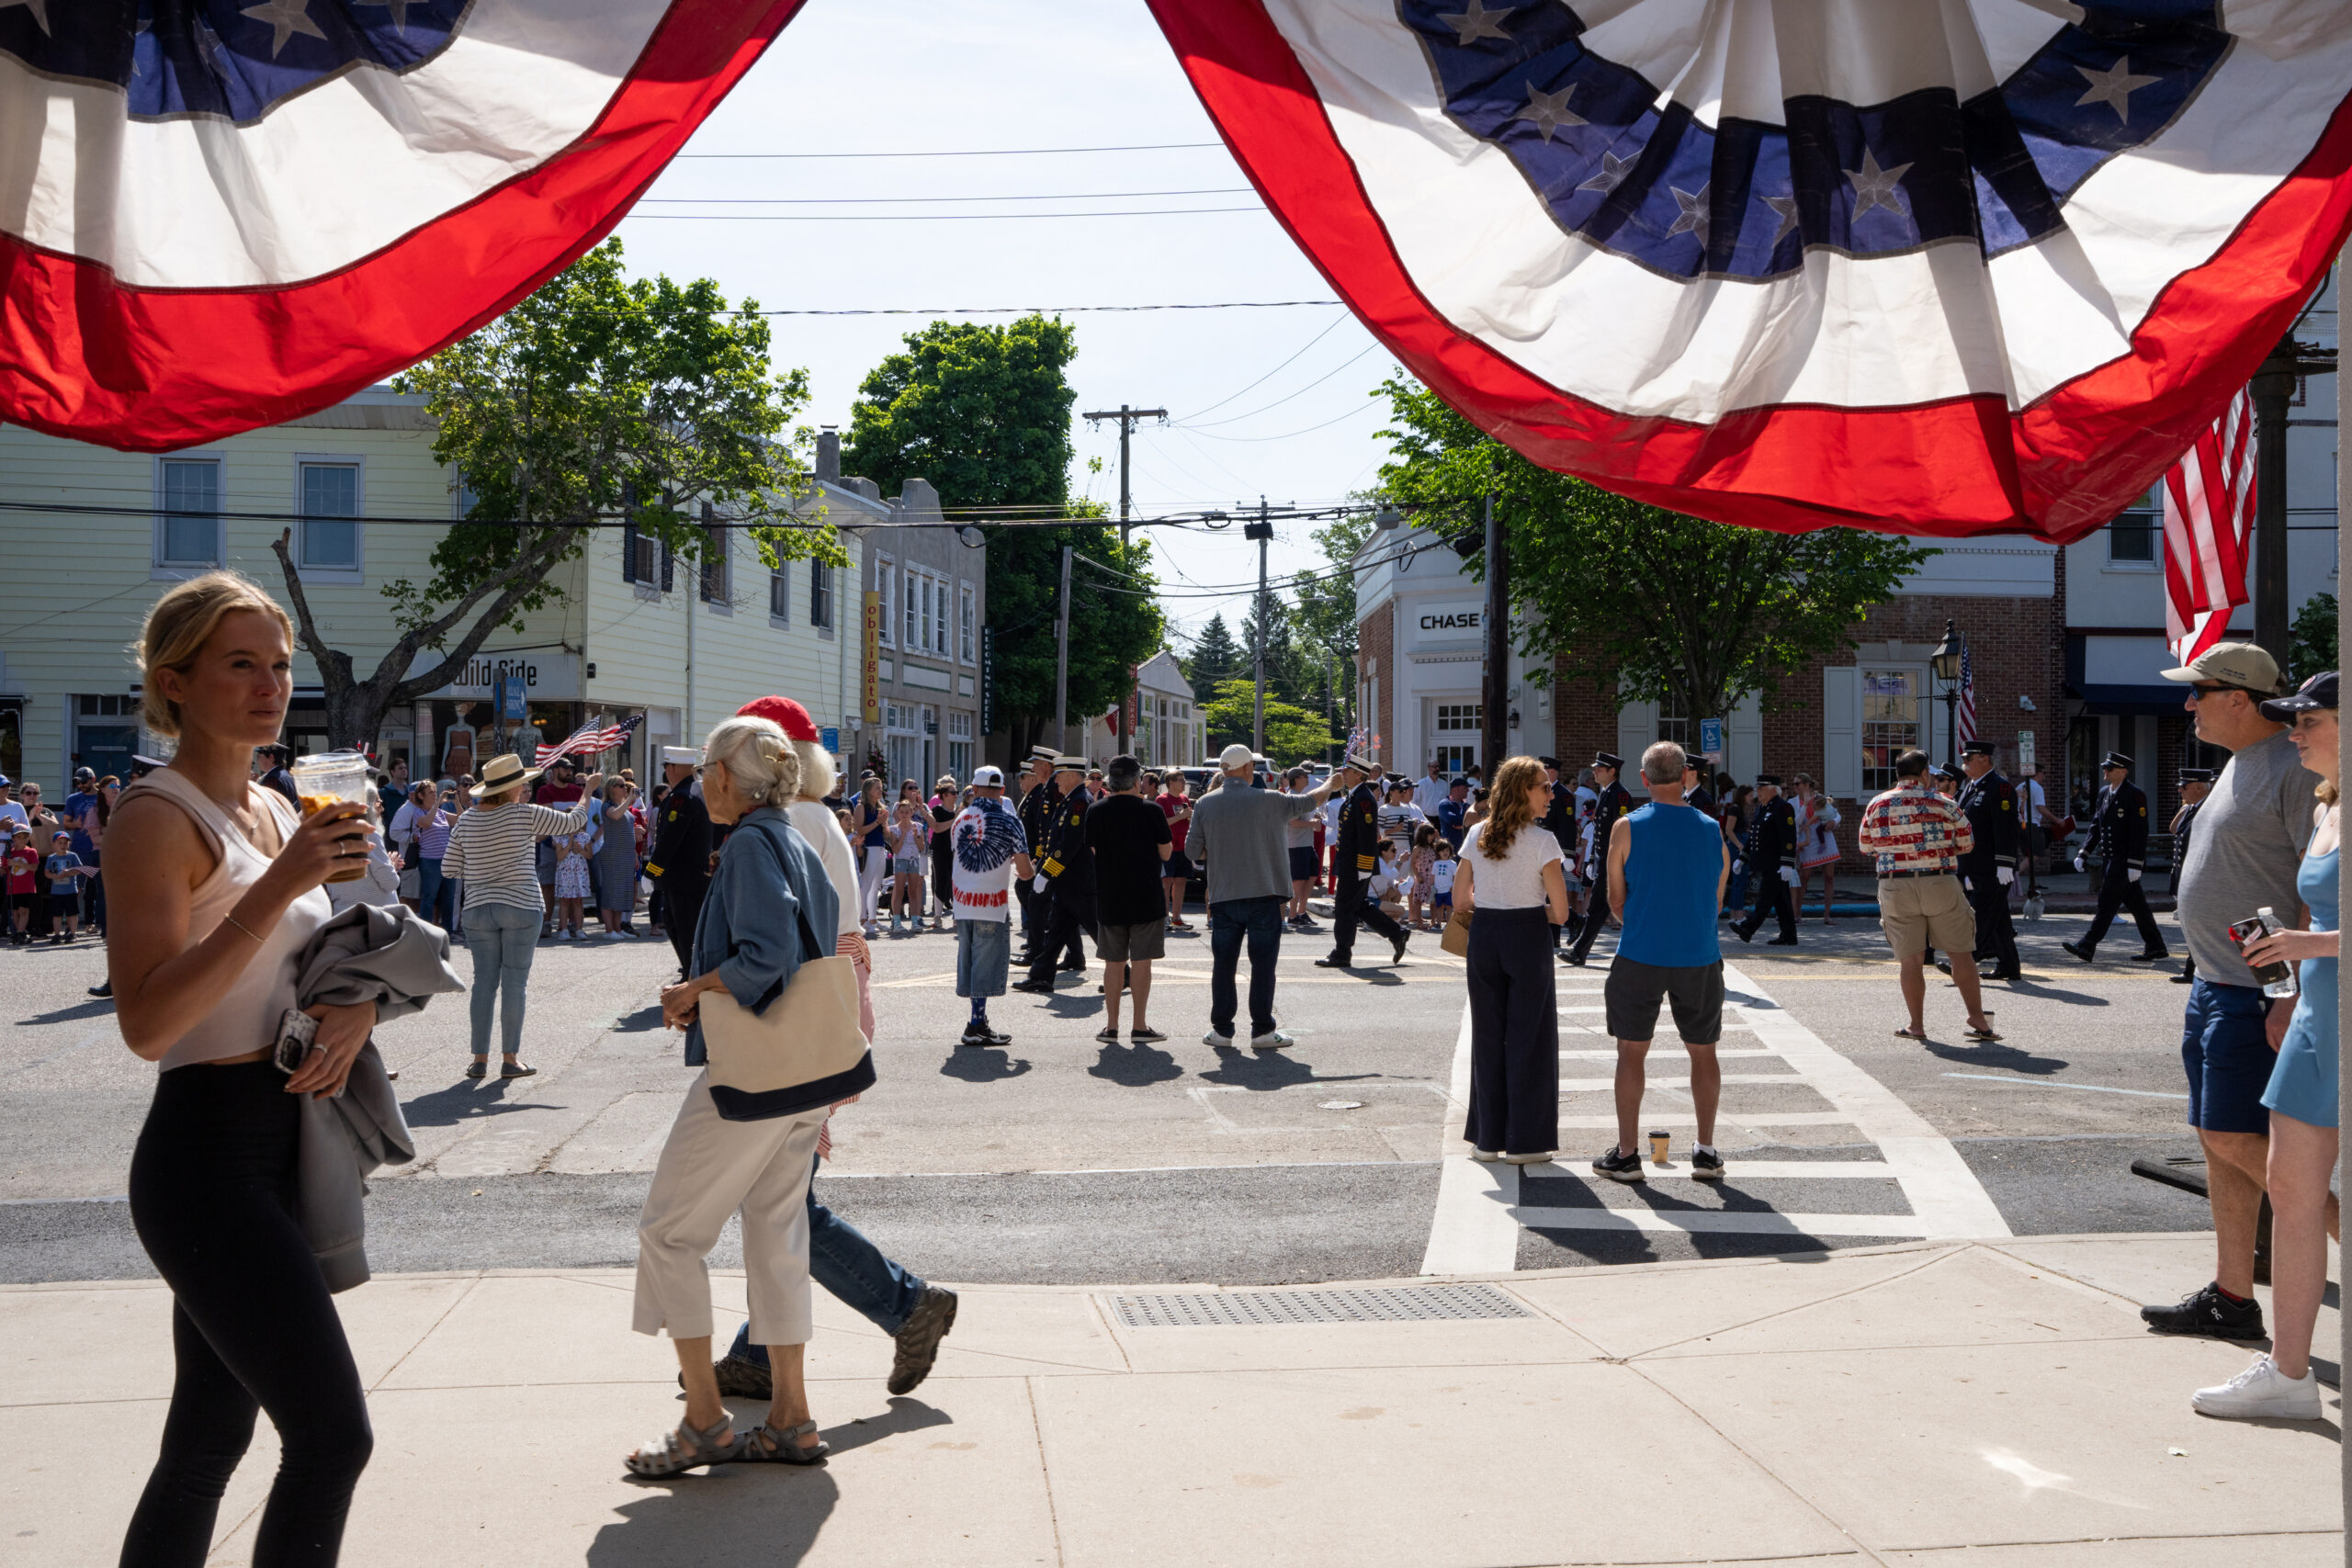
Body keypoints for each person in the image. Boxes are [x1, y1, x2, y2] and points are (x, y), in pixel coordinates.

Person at [107, 571, 378, 1567]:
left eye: (279, 666)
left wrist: (358, 1001)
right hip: (204, 1156)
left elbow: (322, 955)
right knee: (332, 1437)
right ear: (174, 683)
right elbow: (146, 1020)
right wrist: (286, 882)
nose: (270, 686)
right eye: (240, 665)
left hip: (284, 1133)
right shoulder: (154, 816)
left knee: (208, 1440)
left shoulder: (274, 806)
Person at [632, 715, 846, 1475]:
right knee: (776, 1235)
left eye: (706, 768)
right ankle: (790, 1416)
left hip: (754, 1073)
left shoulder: (753, 844)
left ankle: (704, 1419)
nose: (698, 782)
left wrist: (694, 986)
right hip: (808, 1071)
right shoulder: (791, 834)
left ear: (727, 774)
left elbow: (766, 955)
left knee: (668, 1231)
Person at [2141, 641, 2321, 1342]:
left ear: (2239, 698)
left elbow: (2315, 887)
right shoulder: (2240, 762)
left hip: (2259, 991)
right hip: (2217, 983)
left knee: (2229, 1134)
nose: (2188, 704)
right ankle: (2231, 1296)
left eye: (2199, 691)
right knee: (2220, 1143)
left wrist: (2288, 993)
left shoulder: (2294, 768)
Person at [2192, 671, 2342, 1419]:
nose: (2296, 733)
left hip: (2331, 1014)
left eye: (2310, 720)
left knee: (2292, 1184)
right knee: (2288, 1190)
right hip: (2314, 1014)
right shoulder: (2325, 804)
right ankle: (2288, 1373)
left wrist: (2304, 945)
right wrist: (2292, 981)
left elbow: (2319, 918)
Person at [1592, 741, 1730, 1181]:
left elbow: (1615, 899)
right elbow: (1718, 897)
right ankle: (1706, 1151)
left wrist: (1638, 921)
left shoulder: (1626, 827)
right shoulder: (1711, 828)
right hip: (1699, 954)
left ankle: (1628, 1154)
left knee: (1631, 1053)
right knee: (1703, 1052)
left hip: (1640, 952)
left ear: (1644, 778)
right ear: (1686, 776)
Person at [439, 752, 599, 1079]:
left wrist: (482, 864)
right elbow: (574, 822)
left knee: (483, 984)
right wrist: (588, 791)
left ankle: (479, 1059)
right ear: (513, 788)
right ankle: (510, 1058)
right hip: (522, 904)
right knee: (514, 984)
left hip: (478, 907)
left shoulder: (467, 819)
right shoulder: (524, 814)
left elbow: (449, 868)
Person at [1457, 755, 1573, 1164]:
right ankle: (1525, 1141)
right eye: (1543, 786)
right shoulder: (1543, 842)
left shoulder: (1476, 835)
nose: (1550, 793)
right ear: (1523, 790)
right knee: (1531, 1037)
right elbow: (1560, 913)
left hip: (1485, 934)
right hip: (1526, 936)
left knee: (1488, 1036)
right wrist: (1528, 910)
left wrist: (1494, 903)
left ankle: (1487, 1139)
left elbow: (1458, 900)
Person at [1192, 744, 1340, 1046]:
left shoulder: (1205, 804)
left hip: (1224, 895)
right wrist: (1331, 783)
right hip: (1265, 894)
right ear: (1247, 769)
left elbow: (1192, 851)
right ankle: (1262, 1031)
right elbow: (1314, 799)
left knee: (1224, 966)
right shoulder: (1271, 800)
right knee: (1262, 966)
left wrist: (1218, 848)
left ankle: (1221, 1030)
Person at [1857, 750, 2000, 1043]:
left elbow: (1866, 846)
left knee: (1911, 960)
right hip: (1939, 882)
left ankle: (1917, 1025)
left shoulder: (1877, 803)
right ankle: (1977, 1018)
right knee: (1961, 954)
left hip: (1895, 885)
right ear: (1924, 774)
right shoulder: (1943, 802)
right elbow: (1967, 844)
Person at [1086, 753, 1174, 1043]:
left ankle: (1111, 1027)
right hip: (1146, 896)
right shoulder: (1152, 811)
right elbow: (1166, 853)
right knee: (1142, 962)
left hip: (1111, 895)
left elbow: (1095, 850)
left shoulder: (1096, 811)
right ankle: (1139, 1025)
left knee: (1113, 963)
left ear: (1110, 781)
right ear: (1137, 781)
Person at [948, 764, 1032, 1046]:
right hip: (991, 903)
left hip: (962, 901)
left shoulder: (961, 818)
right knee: (985, 965)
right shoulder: (1010, 821)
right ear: (1002, 791)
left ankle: (977, 1021)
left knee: (970, 962)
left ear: (974, 788)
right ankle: (976, 1024)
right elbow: (1024, 871)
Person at [2061, 752, 2168, 964]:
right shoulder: (2103, 793)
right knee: (2138, 906)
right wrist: (2084, 852)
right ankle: (2156, 946)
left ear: (2123, 771)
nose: (2105, 772)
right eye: (2105, 768)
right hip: (2110, 858)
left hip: (2124, 860)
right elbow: (2096, 826)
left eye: (2110, 768)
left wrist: (2135, 863)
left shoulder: (2134, 794)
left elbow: (2139, 831)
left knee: (2107, 902)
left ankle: (2087, 945)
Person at [1317, 751, 1409, 970]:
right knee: (1357, 906)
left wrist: (1364, 868)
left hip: (1358, 865)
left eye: (1346, 771)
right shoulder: (1354, 795)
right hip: (1349, 863)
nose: (1343, 774)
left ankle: (1342, 953)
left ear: (1358, 775)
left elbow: (1368, 837)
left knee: (1344, 908)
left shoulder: (1364, 799)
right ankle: (1397, 933)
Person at [1013, 757, 1097, 994]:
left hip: (1078, 881)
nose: (1056, 780)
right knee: (1057, 931)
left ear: (1072, 775)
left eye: (1060, 775)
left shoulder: (1080, 802)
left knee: (1096, 929)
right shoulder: (1072, 799)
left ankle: (1123, 973)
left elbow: (1069, 843)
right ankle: (1040, 977)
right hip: (1068, 881)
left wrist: (1045, 873)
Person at [1949, 739, 2022, 982]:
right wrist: (1964, 867)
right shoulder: (1971, 788)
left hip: (1993, 867)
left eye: (1969, 758)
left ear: (1984, 759)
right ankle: (2009, 966)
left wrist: (2005, 862)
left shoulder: (1999, 788)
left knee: (1980, 916)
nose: (1965, 763)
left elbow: (2006, 828)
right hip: (1976, 866)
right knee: (1998, 918)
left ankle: (1964, 963)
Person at [1562, 750, 1634, 965]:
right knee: (1600, 907)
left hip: (1614, 862)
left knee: (1600, 907)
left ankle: (1580, 951)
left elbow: (1621, 832)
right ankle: (1581, 952)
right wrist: (1593, 859)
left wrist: (1613, 862)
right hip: (1603, 860)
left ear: (1612, 771)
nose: (1595, 772)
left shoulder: (1619, 795)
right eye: (1595, 769)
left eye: (1600, 769)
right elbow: (1599, 831)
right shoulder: (1604, 792)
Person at [648, 749, 714, 975]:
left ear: (672, 768)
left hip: (684, 878)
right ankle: (690, 970)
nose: (666, 772)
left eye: (667, 767)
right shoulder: (694, 792)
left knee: (685, 929)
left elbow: (670, 839)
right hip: (688, 877)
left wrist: (651, 872)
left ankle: (692, 975)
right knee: (676, 924)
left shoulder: (681, 797)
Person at [1730, 774, 1800, 945]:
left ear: (1772, 790)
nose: (1758, 792)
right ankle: (1789, 935)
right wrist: (1742, 858)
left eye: (1761, 789)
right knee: (1781, 900)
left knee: (1766, 897)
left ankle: (1748, 928)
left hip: (1776, 863)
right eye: (1758, 789)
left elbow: (1788, 837)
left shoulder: (1783, 808)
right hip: (1765, 862)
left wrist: (1787, 863)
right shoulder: (1762, 808)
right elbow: (1754, 836)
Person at [2168, 767, 2215, 984]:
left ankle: (2193, 970)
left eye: (2184, 786)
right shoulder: (2193, 808)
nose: (2180, 790)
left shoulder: (2209, 809)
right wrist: (2185, 808)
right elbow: (2174, 829)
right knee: (2195, 927)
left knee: (2200, 927)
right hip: (2186, 875)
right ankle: (2194, 969)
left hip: (2202, 879)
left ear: (2199, 787)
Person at [390, 779, 457, 931]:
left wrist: (457, 801)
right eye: (431, 792)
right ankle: (417, 930)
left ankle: (447, 931)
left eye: (435, 792)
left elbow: (459, 819)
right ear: (418, 795)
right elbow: (394, 832)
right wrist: (411, 838)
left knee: (446, 898)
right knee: (417, 896)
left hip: (445, 860)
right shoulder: (409, 810)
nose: (435, 795)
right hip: (422, 859)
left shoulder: (438, 811)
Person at [1012, 744, 1059, 954]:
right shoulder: (1041, 792)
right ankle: (1041, 944)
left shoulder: (1047, 791)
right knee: (1064, 910)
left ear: (1046, 766)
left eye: (1035, 766)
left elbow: (1047, 830)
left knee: (1032, 895)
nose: (1032, 771)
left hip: (1049, 858)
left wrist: (1039, 858)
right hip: (1038, 855)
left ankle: (1037, 942)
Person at [1790, 774, 1841, 924]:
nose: (1795, 787)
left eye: (1797, 784)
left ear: (1807, 785)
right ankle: (1797, 913)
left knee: (1829, 876)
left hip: (1824, 835)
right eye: (1794, 784)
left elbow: (1836, 814)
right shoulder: (1793, 803)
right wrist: (1805, 805)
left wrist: (1833, 821)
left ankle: (1827, 915)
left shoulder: (1819, 798)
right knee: (1804, 877)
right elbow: (1797, 822)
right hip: (1807, 838)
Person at [594, 778, 641, 936]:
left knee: (622, 892)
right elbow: (614, 816)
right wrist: (628, 800)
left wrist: (634, 855)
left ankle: (618, 928)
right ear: (612, 788)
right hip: (613, 854)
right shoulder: (608, 805)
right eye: (622, 786)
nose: (625, 788)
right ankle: (609, 930)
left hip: (626, 854)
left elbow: (628, 833)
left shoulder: (624, 807)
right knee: (611, 891)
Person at [1283, 767, 1321, 931]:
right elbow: (1292, 823)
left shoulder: (1302, 798)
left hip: (1306, 845)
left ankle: (1301, 912)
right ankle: (1292, 916)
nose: (1307, 779)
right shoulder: (1291, 798)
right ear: (1297, 779)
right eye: (1305, 776)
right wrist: (1311, 823)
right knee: (1297, 882)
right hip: (1295, 846)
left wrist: (1315, 820)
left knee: (1311, 877)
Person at [1157, 768, 1196, 931]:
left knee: (1181, 881)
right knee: (1167, 882)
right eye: (1180, 780)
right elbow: (1161, 823)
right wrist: (1180, 816)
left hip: (1183, 846)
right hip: (1169, 847)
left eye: (1184, 780)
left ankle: (1177, 917)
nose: (1184, 783)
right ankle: (1164, 917)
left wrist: (1189, 816)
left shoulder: (1184, 798)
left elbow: (1186, 821)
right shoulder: (1162, 800)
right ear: (1171, 783)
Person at [885, 797, 929, 935]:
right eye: (901, 812)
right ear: (898, 813)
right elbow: (896, 849)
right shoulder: (894, 829)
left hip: (914, 860)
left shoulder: (918, 827)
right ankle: (897, 922)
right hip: (901, 861)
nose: (904, 815)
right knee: (899, 891)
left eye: (906, 812)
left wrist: (916, 837)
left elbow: (922, 847)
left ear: (911, 812)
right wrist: (903, 835)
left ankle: (915, 921)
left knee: (914, 891)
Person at [928, 775, 958, 932]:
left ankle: (956, 917)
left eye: (956, 792)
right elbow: (937, 828)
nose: (956, 795)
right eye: (953, 792)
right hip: (939, 848)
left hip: (954, 849)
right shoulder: (937, 810)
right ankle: (938, 916)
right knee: (940, 880)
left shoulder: (959, 810)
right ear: (944, 795)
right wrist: (954, 820)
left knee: (956, 881)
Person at [254, 742, 300, 807]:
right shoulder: (288, 776)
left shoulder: (272, 779)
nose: (257, 760)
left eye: (259, 756)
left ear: (271, 757)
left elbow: (270, 806)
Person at [1436, 776, 1471, 850]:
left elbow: (1476, 821)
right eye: (1465, 788)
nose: (1468, 790)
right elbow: (1451, 819)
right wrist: (1467, 823)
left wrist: (1462, 825)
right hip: (1449, 850)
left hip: (1466, 848)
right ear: (1456, 789)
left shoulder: (1468, 805)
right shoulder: (1444, 804)